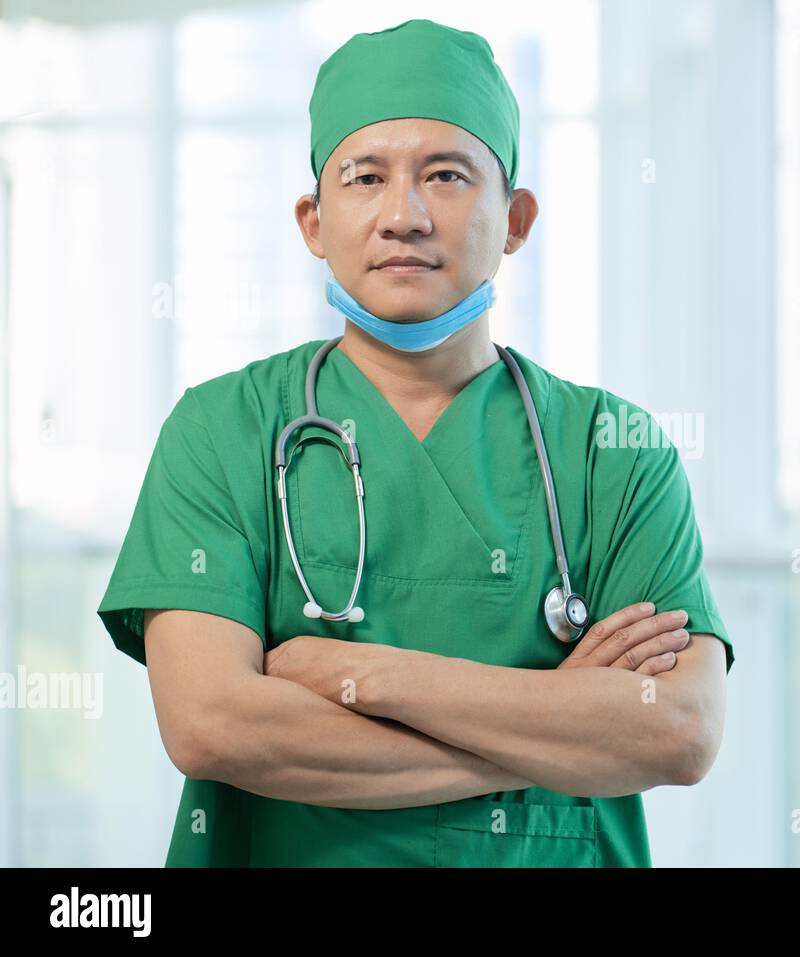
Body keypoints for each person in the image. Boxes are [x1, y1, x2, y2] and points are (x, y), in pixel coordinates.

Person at [96, 18, 732, 867]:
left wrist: (375, 679)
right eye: (366, 178)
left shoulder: (614, 451)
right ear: (313, 222)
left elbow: (679, 730)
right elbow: (212, 724)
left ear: (516, 218)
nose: (405, 215)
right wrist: (561, 714)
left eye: (446, 174)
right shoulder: (222, 430)